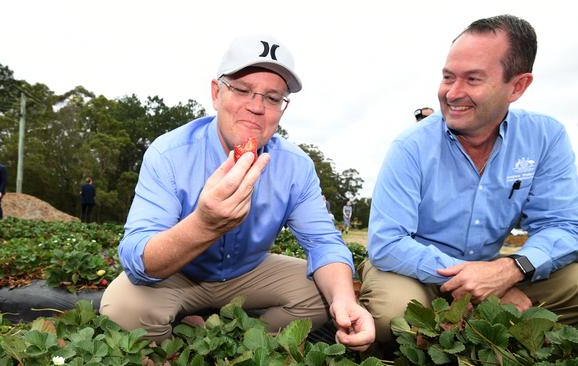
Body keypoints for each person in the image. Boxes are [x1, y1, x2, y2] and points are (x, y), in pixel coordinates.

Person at [100, 34, 375, 351]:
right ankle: (182, 344)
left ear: (282, 110)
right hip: (182, 274)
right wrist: (203, 225)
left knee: (324, 294)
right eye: (242, 90)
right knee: (122, 307)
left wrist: (345, 301)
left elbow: (324, 242)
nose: (257, 107)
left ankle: (240, 339)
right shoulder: (169, 153)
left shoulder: (295, 166)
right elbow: (136, 255)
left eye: (273, 98)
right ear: (216, 93)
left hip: (249, 271)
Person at [362, 14, 578, 347]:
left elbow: (563, 225)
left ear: (517, 86)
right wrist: (482, 282)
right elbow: (388, 243)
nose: (452, 93)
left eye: (473, 79)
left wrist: (511, 271)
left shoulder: (546, 138)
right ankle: (485, 326)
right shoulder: (410, 147)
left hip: (499, 270)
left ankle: (458, 327)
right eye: (448, 77)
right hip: (415, 272)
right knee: (392, 316)